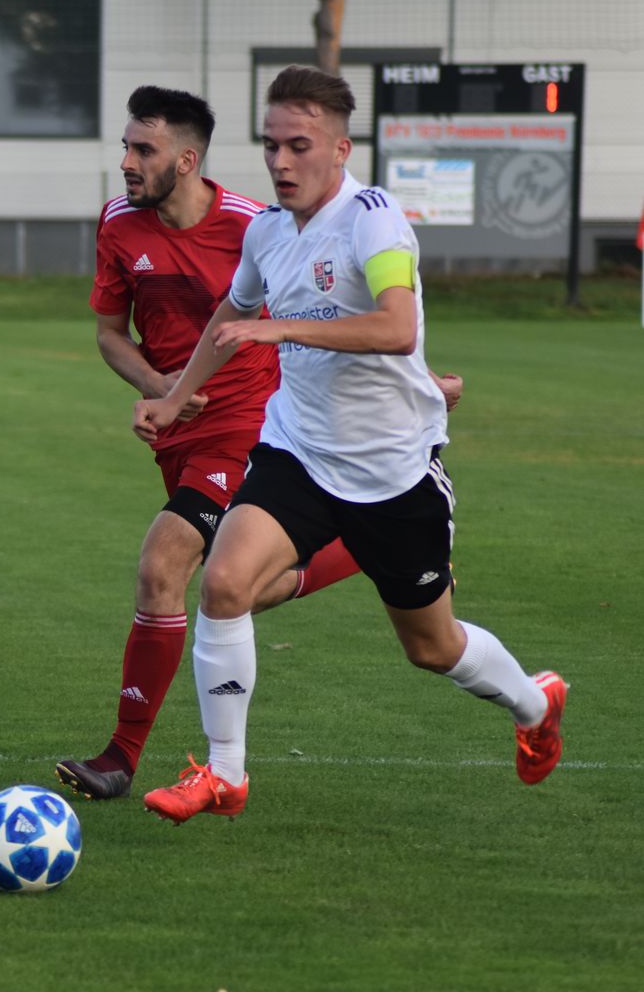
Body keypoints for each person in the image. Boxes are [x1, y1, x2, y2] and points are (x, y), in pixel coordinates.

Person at [133, 66, 566, 825]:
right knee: (224, 583)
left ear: (340, 149)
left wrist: (280, 328)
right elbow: (231, 317)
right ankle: (225, 773)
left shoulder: (374, 220)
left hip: (393, 471)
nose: (280, 161)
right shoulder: (268, 231)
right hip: (298, 450)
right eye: (271, 145)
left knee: (432, 648)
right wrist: (173, 400)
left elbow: (395, 326)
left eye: (298, 146)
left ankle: (535, 705)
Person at [55, 85, 414, 802]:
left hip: (252, 427)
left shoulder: (255, 225)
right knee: (235, 592)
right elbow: (108, 335)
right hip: (178, 437)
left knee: (163, 564)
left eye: (144, 149)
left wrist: (419, 376)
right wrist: (161, 388)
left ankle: (123, 757)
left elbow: (332, 312)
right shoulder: (119, 224)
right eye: (126, 146)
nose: (126, 162)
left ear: (187, 161)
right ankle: (359, 548)